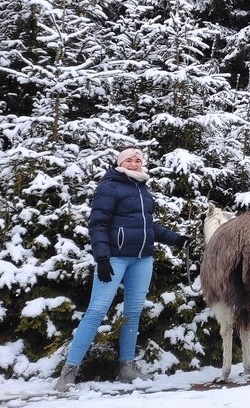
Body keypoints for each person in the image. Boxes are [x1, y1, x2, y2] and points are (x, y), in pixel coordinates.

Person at [54, 148, 189, 390]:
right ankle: (68, 373)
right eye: (130, 159)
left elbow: (147, 225)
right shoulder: (109, 186)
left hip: (142, 259)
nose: (135, 163)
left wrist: (175, 238)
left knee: (132, 314)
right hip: (115, 259)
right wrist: (102, 258)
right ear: (120, 163)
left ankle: (127, 368)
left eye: (138, 160)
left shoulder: (143, 189)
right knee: (96, 311)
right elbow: (98, 224)